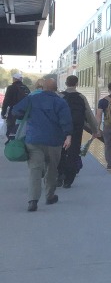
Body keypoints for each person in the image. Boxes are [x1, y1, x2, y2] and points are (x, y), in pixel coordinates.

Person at [12, 77, 72, 212]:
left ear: (43, 88)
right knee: (52, 169)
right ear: (55, 88)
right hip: (54, 141)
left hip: (34, 140)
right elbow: (66, 121)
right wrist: (68, 136)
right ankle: (50, 196)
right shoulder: (60, 102)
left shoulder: (32, 99)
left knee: (35, 169)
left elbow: (16, 111)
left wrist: (27, 116)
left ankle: (32, 201)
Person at [58, 75, 100, 188]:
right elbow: (89, 115)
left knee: (60, 152)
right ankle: (68, 180)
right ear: (76, 84)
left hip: (61, 129)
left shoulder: (60, 96)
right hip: (76, 129)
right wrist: (95, 130)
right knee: (73, 153)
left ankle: (59, 176)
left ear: (66, 83)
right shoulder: (81, 97)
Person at [1, 73, 31, 142]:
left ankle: (11, 144)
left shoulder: (11, 87)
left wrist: (3, 112)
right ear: (21, 79)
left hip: (13, 113)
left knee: (11, 129)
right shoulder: (26, 88)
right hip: (24, 113)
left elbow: (6, 101)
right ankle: (20, 144)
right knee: (21, 130)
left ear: (14, 79)